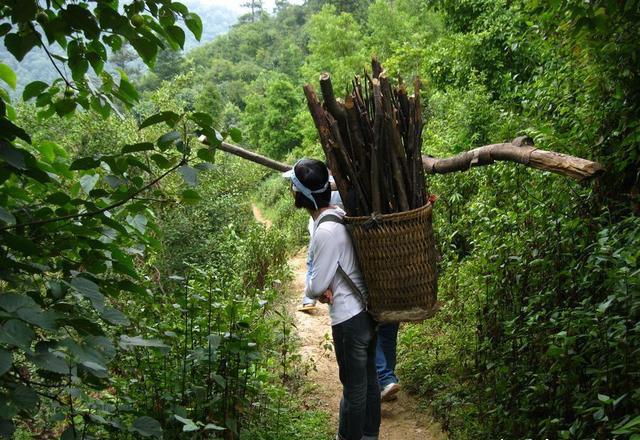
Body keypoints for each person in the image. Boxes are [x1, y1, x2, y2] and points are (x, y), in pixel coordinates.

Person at [284, 158, 380, 440]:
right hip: (365, 312)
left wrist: (318, 287)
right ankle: (370, 435)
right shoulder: (339, 214)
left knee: (353, 387)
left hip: (349, 320)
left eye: (293, 187)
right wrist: (322, 285)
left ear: (303, 195)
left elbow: (315, 286)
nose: (291, 191)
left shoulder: (325, 231)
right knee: (368, 381)